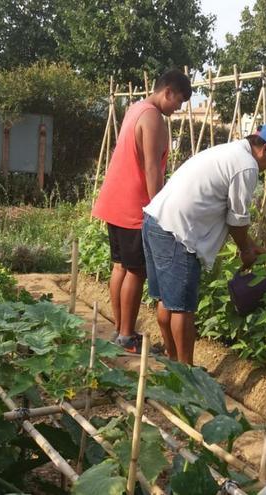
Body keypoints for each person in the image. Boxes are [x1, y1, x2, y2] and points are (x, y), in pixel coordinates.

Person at [141, 123, 266, 364]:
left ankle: (173, 361)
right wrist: (246, 251)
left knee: (167, 301)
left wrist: (249, 243)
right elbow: (237, 219)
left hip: (156, 221)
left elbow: (230, 215)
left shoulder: (229, 152)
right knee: (182, 309)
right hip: (178, 233)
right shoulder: (246, 166)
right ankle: (187, 375)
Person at [91, 69, 192, 353]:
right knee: (136, 271)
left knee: (121, 266)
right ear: (167, 92)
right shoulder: (153, 118)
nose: (178, 109)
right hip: (134, 205)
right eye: (179, 102)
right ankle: (126, 335)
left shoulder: (135, 109)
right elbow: (151, 167)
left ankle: (122, 330)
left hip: (114, 199)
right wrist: (159, 208)